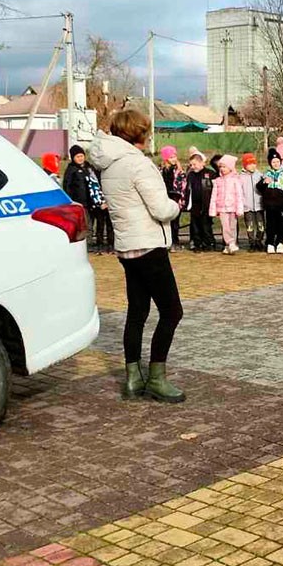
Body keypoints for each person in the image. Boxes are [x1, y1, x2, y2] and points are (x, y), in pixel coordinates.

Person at [87, 109, 185, 403]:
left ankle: (132, 379)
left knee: (137, 312)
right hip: (149, 246)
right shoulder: (137, 164)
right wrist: (176, 206)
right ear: (138, 133)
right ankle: (156, 378)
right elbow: (160, 208)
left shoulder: (108, 164)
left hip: (127, 247)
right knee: (172, 311)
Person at [209, 154, 245, 255]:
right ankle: (230, 242)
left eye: (224, 167)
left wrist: (239, 208)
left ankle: (229, 245)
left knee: (232, 227)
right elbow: (214, 196)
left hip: (233, 208)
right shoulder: (217, 181)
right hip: (222, 208)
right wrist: (213, 209)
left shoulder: (236, 180)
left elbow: (239, 195)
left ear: (230, 168)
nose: (222, 169)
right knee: (225, 227)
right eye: (220, 167)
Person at [259, 149, 283, 254]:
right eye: (273, 162)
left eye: (277, 161)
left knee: (281, 224)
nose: (276, 164)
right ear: (270, 163)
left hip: (281, 204)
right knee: (270, 224)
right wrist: (264, 182)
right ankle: (270, 243)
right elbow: (259, 187)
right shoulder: (266, 173)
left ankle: (280, 242)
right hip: (269, 204)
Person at [185, 149, 215, 252]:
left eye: (194, 164)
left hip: (206, 204)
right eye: (191, 165)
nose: (193, 167)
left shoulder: (210, 174)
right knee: (195, 226)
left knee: (206, 225)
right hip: (194, 204)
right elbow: (188, 189)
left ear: (202, 162)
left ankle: (208, 243)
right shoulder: (191, 175)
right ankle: (197, 244)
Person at [159, 146, 186, 250]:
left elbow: (183, 186)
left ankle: (175, 241)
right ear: (166, 158)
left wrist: (182, 200)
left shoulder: (179, 171)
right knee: (166, 222)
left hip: (176, 198)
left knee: (175, 222)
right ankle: (166, 242)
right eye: (171, 157)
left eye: (175, 156)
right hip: (165, 198)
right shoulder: (161, 170)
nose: (174, 159)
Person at [239, 153, 265, 252]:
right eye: (250, 164)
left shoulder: (260, 175)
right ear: (245, 165)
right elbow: (240, 192)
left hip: (259, 206)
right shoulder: (241, 177)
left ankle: (259, 241)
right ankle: (252, 243)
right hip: (247, 206)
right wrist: (242, 204)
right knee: (250, 226)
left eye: (254, 163)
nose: (252, 166)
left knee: (261, 225)